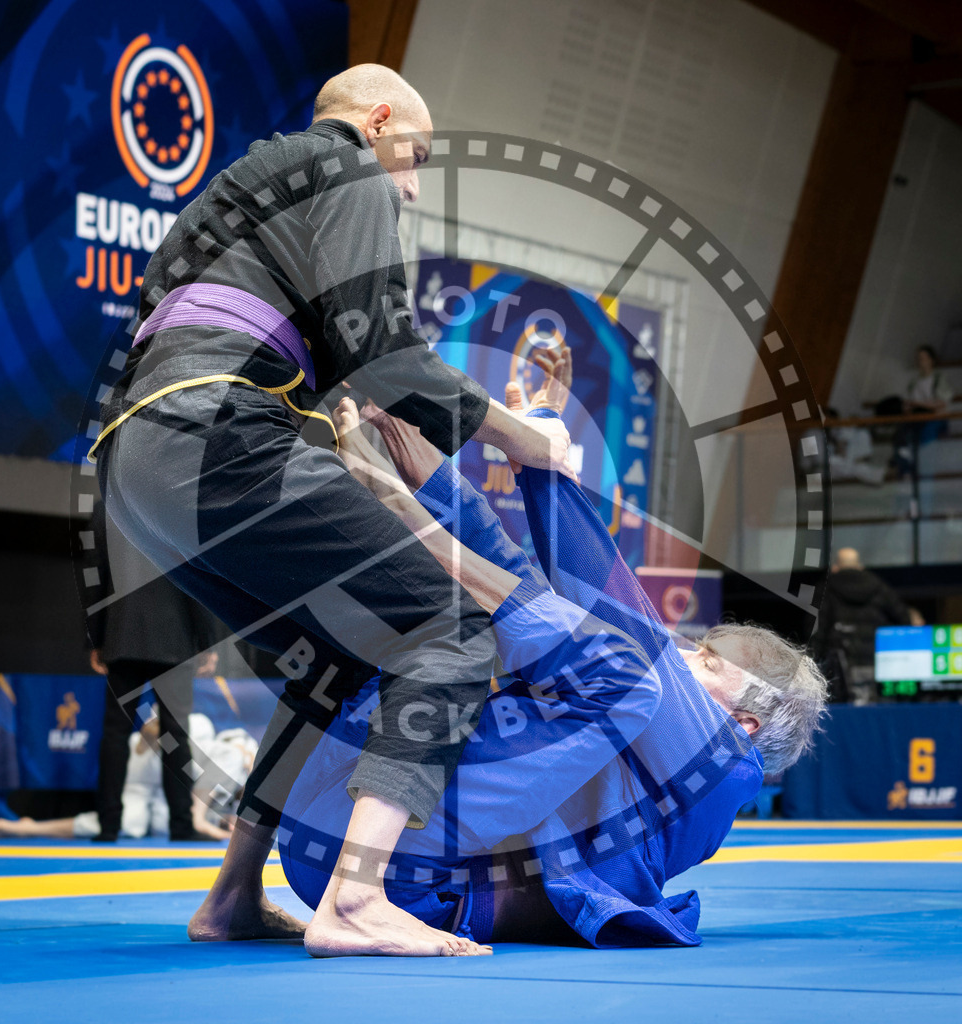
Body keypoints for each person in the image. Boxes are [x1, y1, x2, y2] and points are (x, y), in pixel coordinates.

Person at [87, 64, 571, 957]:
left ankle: (229, 897)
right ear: (378, 121)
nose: (415, 185)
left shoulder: (232, 196)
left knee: (333, 659)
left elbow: (336, 365)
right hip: (217, 436)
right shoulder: (345, 167)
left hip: (134, 468)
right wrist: (520, 437)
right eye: (415, 157)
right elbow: (385, 355)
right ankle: (354, 901)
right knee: (451, 628)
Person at [274, 349, 826, 948]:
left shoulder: (721, 772)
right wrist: (433, 448)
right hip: (337, 830)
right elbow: (512, 574)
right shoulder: (639, 735)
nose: (686, 656)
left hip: (410, 880)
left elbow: (620, 615)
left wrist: (535, 457)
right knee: (492, 616)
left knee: (621, 669)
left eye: (708, 663)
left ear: (742, 724)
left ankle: (408, 527)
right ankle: (231, 896)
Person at [87, 500, 222, 842]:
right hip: (173, 637)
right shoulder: (178, 504)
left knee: (115, 733)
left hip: (122, 634)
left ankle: (108, 826)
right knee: (176, 734)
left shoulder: (107, 507)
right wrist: (207, 641)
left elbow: (95, 574)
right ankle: (181, 824)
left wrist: (97, 638)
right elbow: (197, 574)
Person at [0, 713, 249, 842]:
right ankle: (196, 818)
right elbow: (236, 751)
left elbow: (231, 805)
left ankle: (30, 827)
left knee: (136, 823)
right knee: (227, 752)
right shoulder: (236, 751)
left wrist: (226, 819)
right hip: (167, 758)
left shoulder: (234, 805)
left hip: (173, 789)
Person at [813, 547, 912, 704]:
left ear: (836, 567)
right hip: (877, 662)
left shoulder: (825, 589)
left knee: (849, 716)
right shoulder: (879, 587)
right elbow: (904, 621)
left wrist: (814, 666)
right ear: (860, 566)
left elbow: (816, 632)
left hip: (841, 666)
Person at [891, 345, 953, 478]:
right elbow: (909, 401)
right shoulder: (914, 381)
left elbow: (941, 403)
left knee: (925, 436)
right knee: (900, 435)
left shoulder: (939, 378)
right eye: (919, 358)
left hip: (935, 418)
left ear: (932, 360)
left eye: (924, 358)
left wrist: (919, 404)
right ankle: (905, 470)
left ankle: (924, 470)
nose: (921, 361)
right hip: (917, 417)